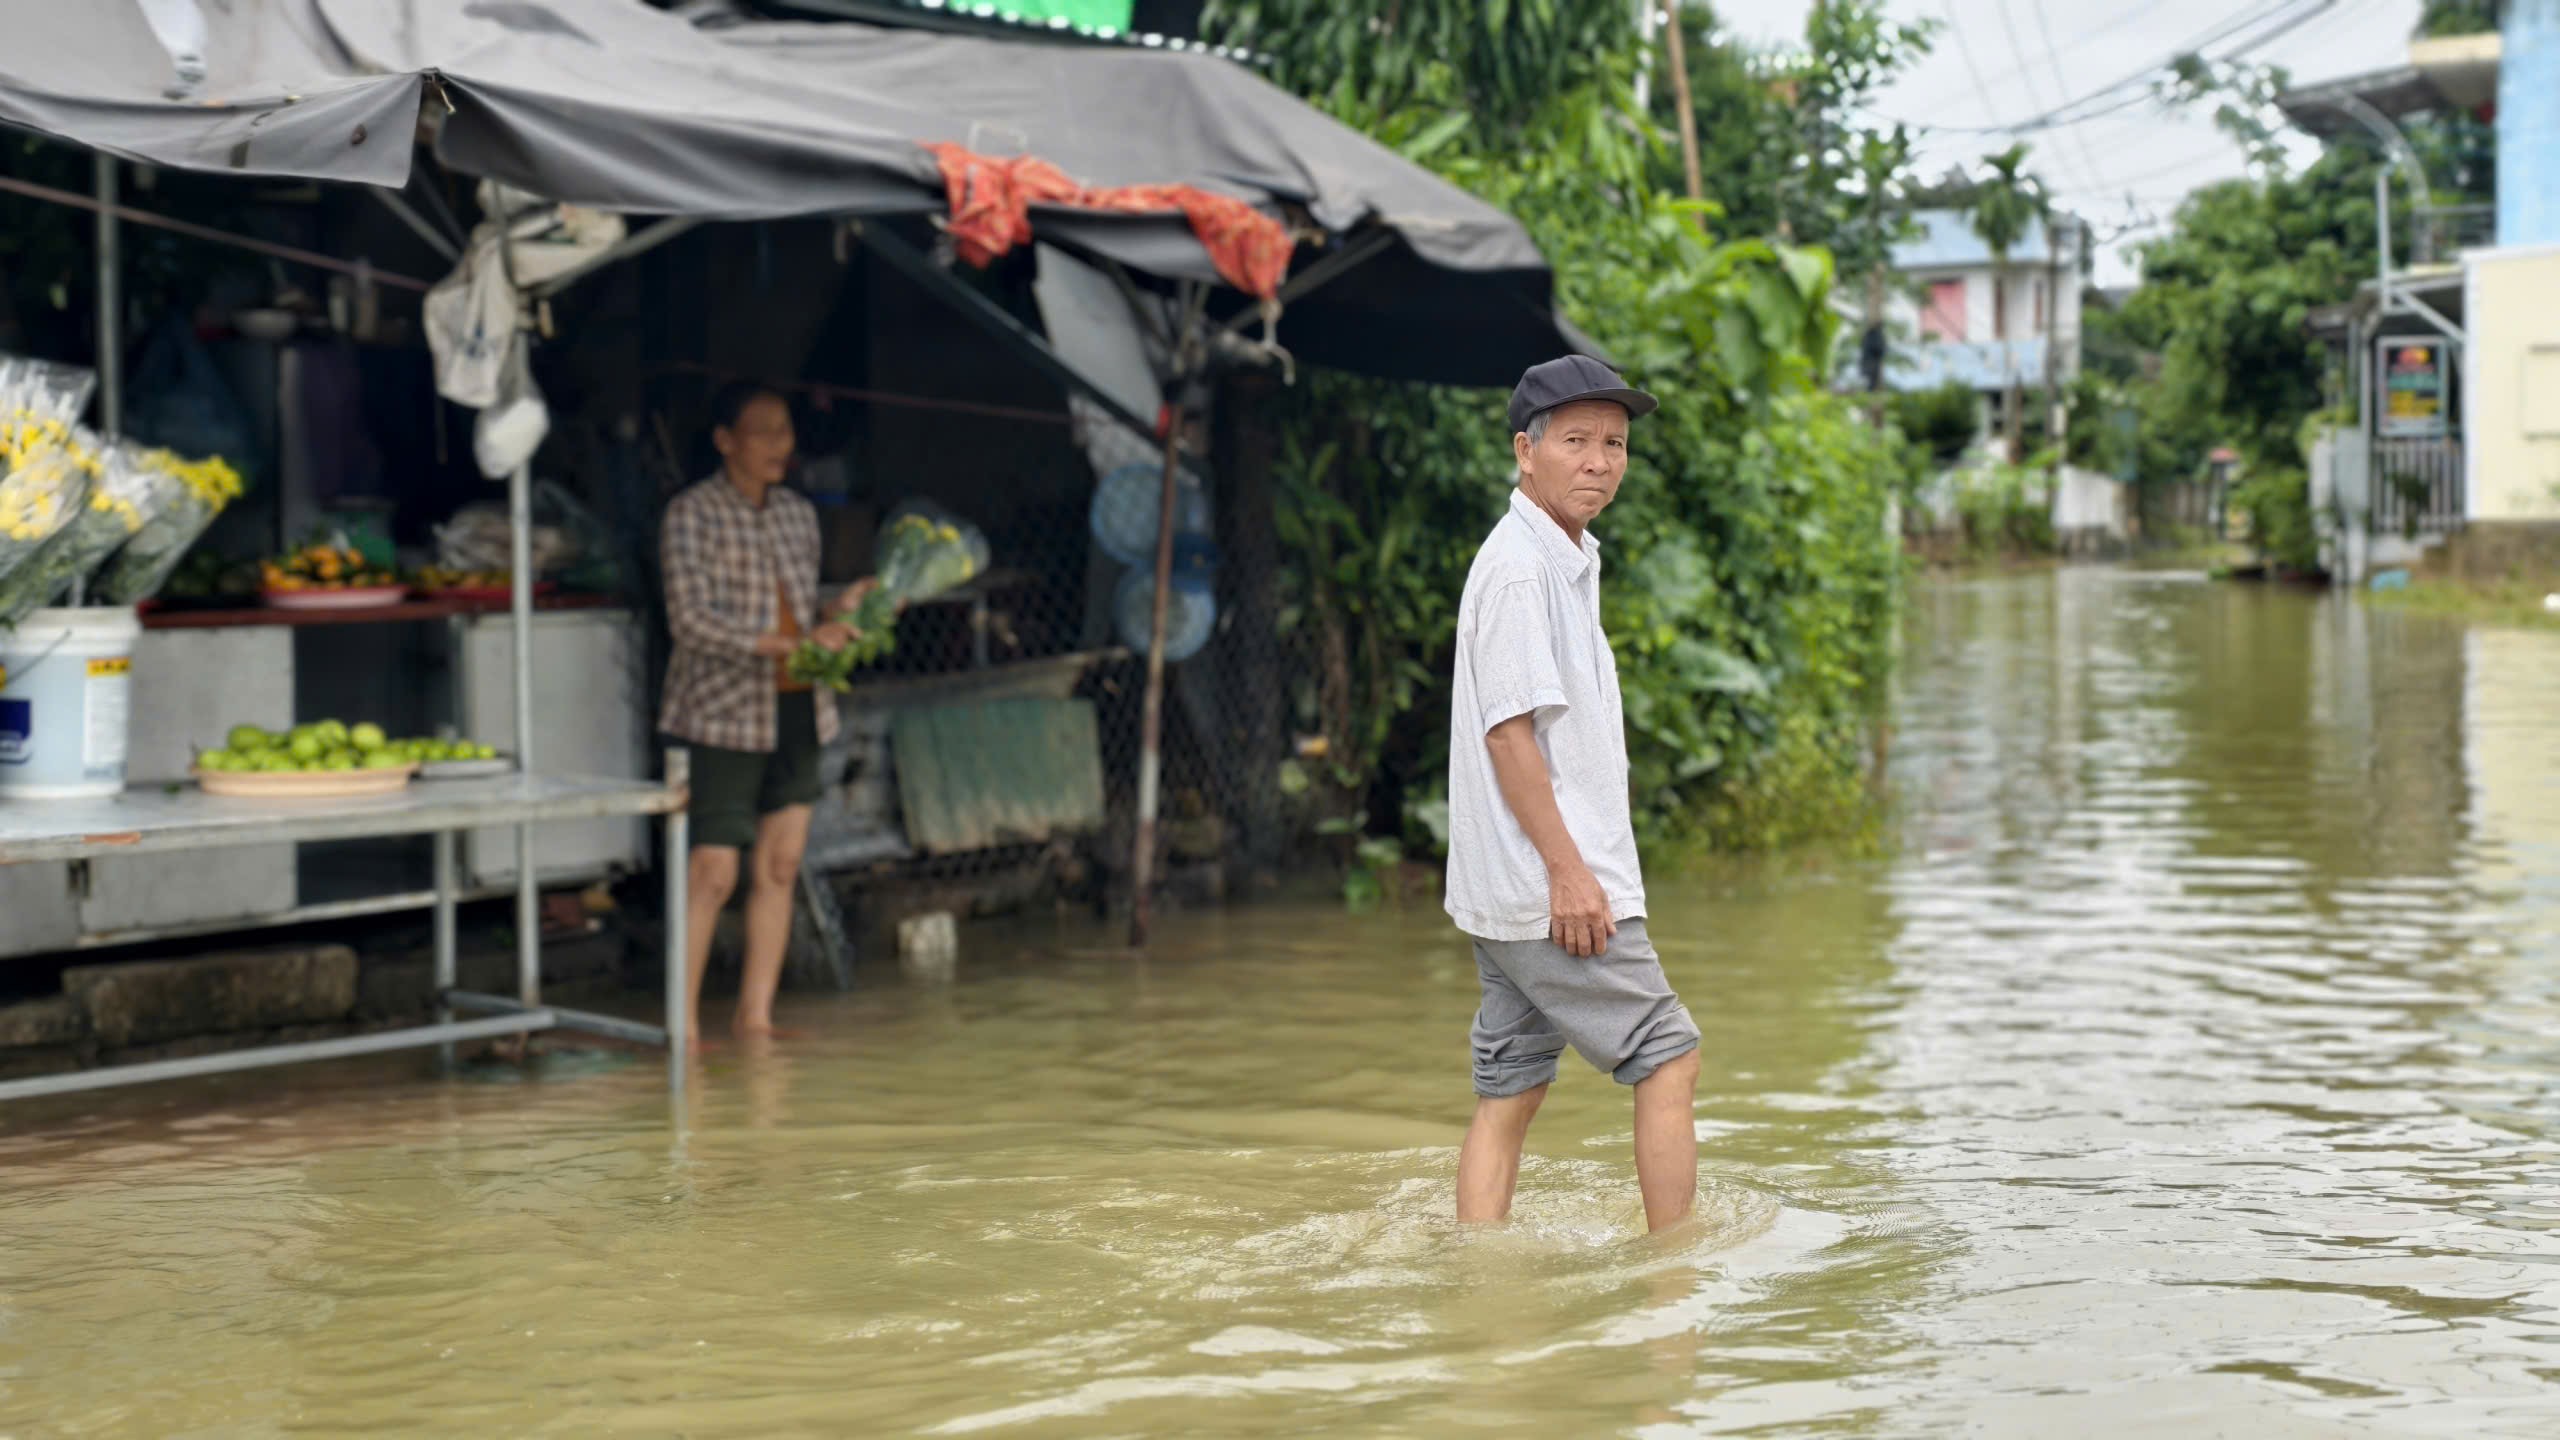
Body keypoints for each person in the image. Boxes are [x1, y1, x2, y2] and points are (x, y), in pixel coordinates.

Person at [1445, 355, 1704, 1233]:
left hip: (1506, 890)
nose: (1599, 462)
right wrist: (1569, 874)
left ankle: (1477, 1268)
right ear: (1527, 451)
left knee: (1512, 1090)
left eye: (1616, 444)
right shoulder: (1523, 570)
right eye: (1577, 442)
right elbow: (1509, 735)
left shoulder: (1558, 558)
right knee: (1668, 1058)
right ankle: (1676, 1280)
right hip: (1551, 888)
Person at [659, 381, 875, 1043]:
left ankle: (755, 1020)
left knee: (780, 864)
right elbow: (690, 621)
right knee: (712, 872)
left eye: (785, 431)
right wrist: (788, 644)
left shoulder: (797, 515)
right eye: (763, 432)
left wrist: (839, 610)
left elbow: (798, 612)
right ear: (725, 441)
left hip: (798, 708)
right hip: (722, 715)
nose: (780, 445)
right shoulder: (690, 515)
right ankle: (681, 1031)